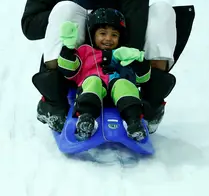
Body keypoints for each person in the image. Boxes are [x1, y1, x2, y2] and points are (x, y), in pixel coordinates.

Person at [21, 0, 177, 135]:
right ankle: (53, 101)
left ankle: (151, 103)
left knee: (162, 11)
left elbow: (136, 10)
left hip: (121, 40)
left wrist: (127, 57)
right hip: (79, 50)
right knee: (65, 8)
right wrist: (73, 13)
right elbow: (29, 25)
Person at [56, 8, 150, 141]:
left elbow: (142, 79)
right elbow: (67, 69)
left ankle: (133, 121)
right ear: (93, 35)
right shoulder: (84, 51)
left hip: (118, 96)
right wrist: (68, 48)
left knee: (123, 83)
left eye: (114, 35)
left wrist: (139, 62)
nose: (108, 39)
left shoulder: (123, 53)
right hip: (91, 94)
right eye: (103, 33)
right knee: (93, 80)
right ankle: (86, 119)